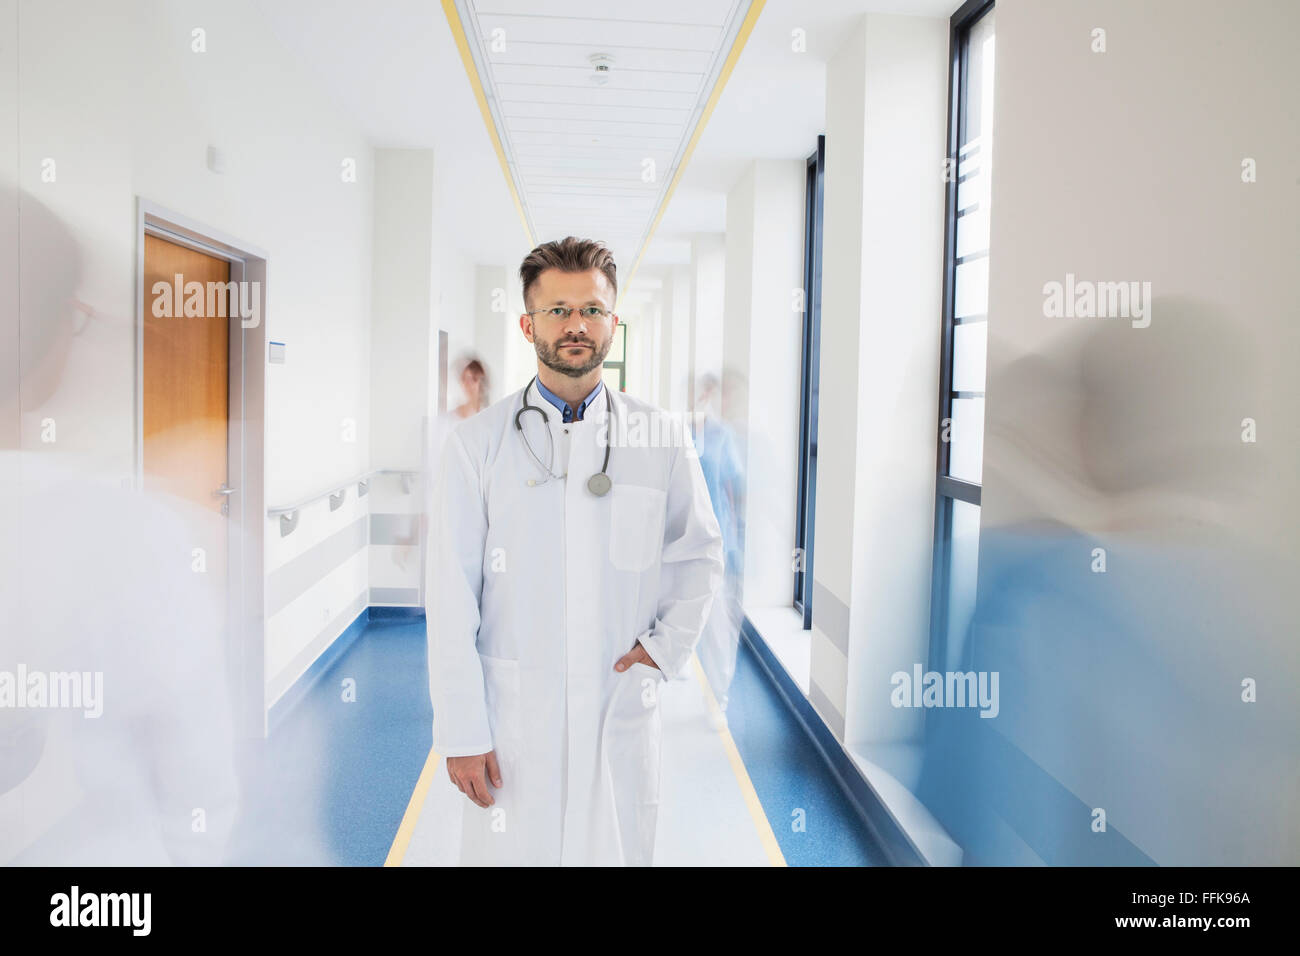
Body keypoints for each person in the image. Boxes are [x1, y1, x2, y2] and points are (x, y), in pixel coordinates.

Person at [426, 236, 724, 866]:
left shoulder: (659, 438)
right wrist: (461, 728)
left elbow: (699, 556)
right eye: (558, 310)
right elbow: (450, 593)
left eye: (591, 309)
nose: (576, 326)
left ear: (612, 321)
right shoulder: (477, 445)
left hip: (617, 706)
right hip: (513, 718)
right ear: (528, 323)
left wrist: (662, 650)